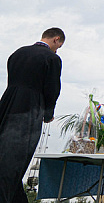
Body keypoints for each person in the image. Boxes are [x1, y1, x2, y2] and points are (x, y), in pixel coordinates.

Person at [0, 27, 65, 202]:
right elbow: (52, 89)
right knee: (16, 160)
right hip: (29, 109)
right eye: (58, 46)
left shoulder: (17, 53)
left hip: (7, 105)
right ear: (56, 39)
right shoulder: (52, 58)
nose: (57, 50)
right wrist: (48, 112)